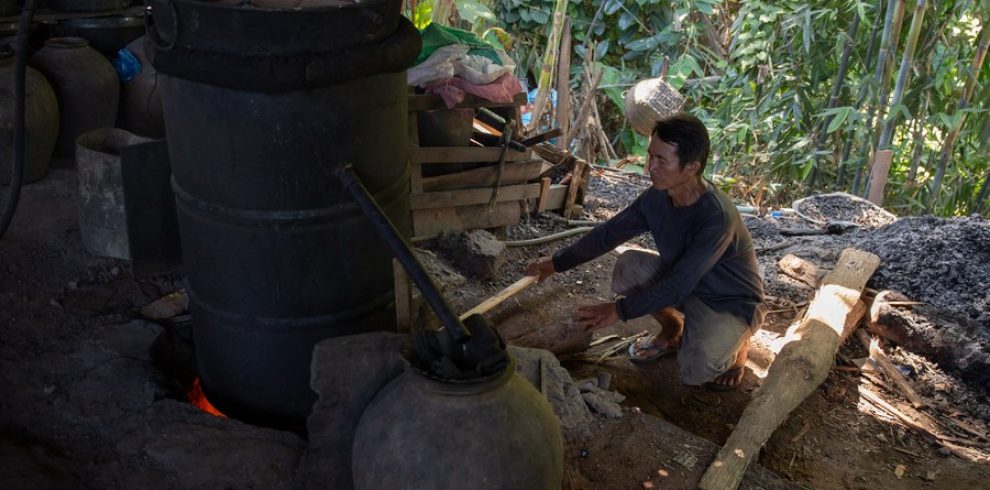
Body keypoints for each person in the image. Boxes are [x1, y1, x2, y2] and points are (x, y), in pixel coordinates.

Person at [526, 113, 765, 390]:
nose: (650, 167)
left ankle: (738, 348)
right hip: (689, 286)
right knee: (628, 266)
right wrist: (555, 263)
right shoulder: (658, 198)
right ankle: (673, 328)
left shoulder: (716, 218)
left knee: (697, 370)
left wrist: (619, 310)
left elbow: (677, 286)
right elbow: (608, 234)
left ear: (691, 167)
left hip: (728, 302)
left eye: (661, 160)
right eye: (650, 156)